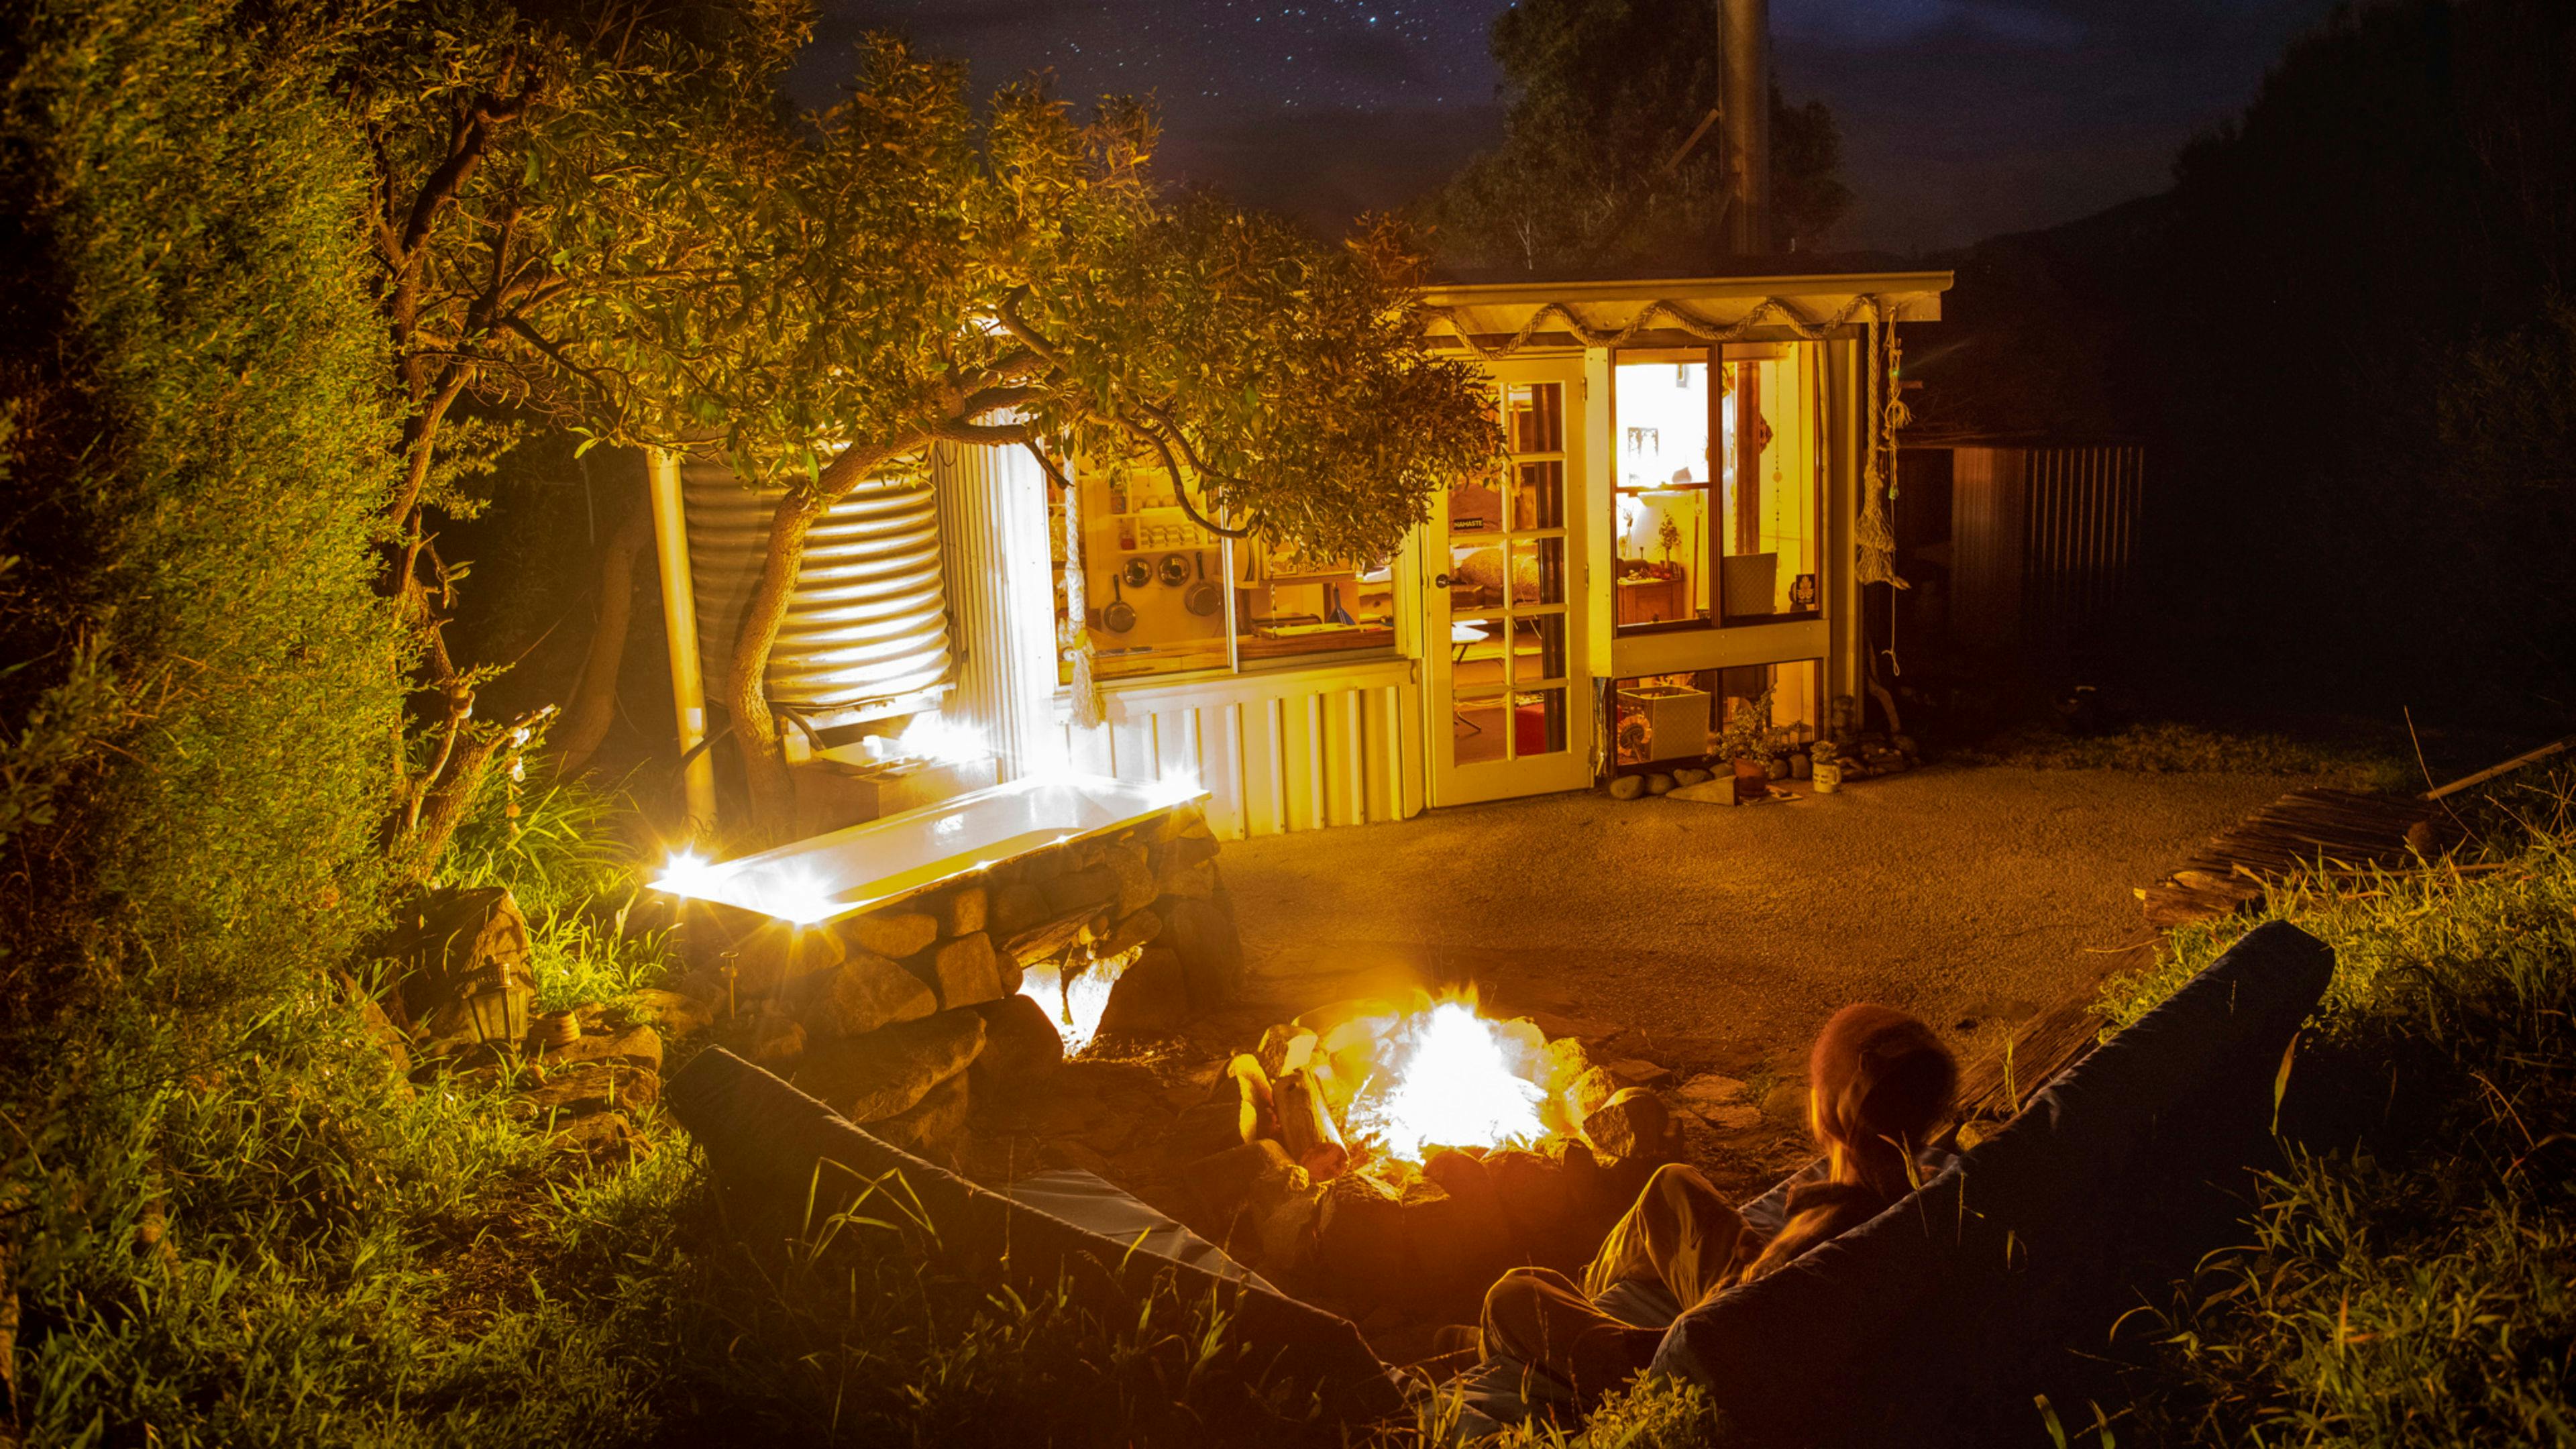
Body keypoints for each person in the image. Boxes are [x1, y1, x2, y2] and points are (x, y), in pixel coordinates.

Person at [1468, 1003, 1959, 1404]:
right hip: (1750, 1294)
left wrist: (1645, 1338)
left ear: (1828, 1111)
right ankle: (1583, 1292)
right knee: (1671, 1183)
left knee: (1512, 1294)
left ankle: (1504, 1341)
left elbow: (1708, 1342)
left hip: (1699, 1357)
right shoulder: (1910, 1191)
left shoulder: (1818, 1242)